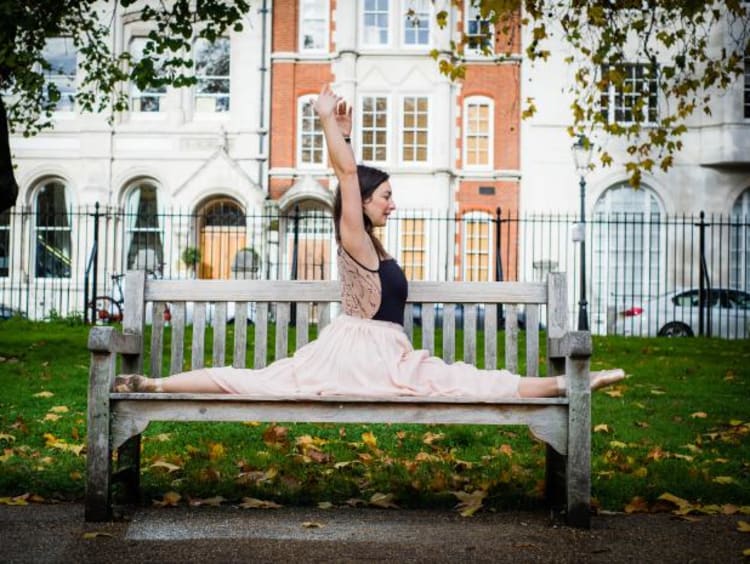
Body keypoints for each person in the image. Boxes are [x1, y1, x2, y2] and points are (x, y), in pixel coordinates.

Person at [115, 84, 625, 397]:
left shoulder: (372, 245)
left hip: (388, 353)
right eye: (384, 196)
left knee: (463, 377)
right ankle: (154, 384)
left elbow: (349, 173)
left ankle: (567, 384)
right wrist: (326, 121)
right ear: (362, 202)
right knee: (254, 380)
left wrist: (346, 132)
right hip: (360, 357)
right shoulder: (354, 237)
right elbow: (344, 174)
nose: (392, 204)